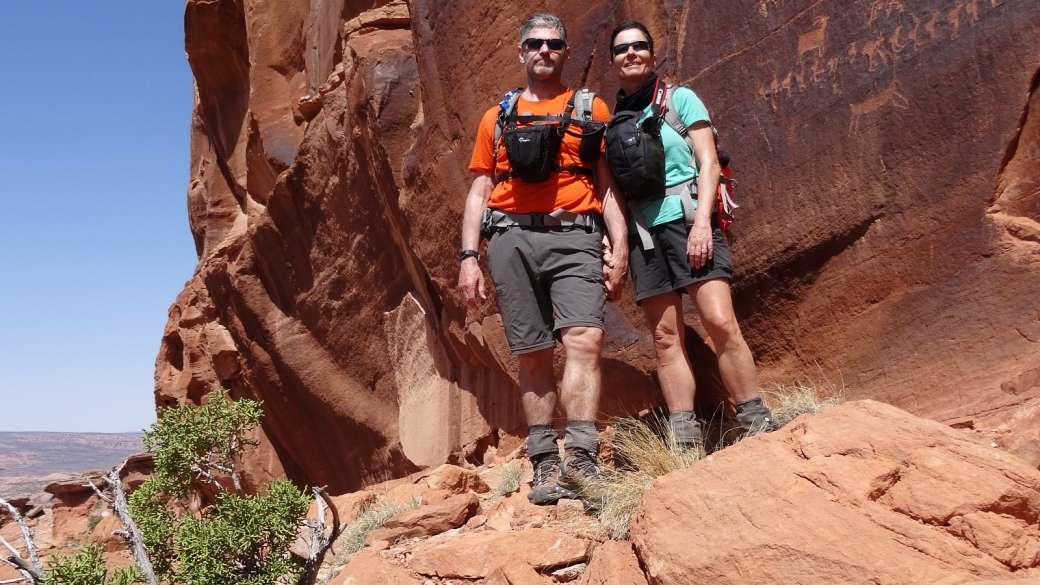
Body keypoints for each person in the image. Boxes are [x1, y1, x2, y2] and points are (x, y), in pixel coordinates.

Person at [457, 14, 628, 504]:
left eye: (554, 43)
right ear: (521, 51)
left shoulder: (589, 107)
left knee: (585, 338)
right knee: (532, 353)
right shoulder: (498, 116)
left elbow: (606, 183)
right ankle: (544, 462)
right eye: (535, 43)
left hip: (575, 235)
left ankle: (581, 459)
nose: (545, 50)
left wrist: (619, 247)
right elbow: (480, 189)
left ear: (566, 52)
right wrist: (470, 256)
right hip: (511, 239)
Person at [607, 21, 773, 448]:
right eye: (623, 49)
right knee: (665, 337)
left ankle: (754, 419)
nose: (632, 53)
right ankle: (685, 439)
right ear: (613, 60)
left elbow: (709, 162)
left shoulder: (680, 99)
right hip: (646, 234)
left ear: (652, 54)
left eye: (640, 46)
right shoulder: (612, 122)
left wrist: (703, 221)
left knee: (719, 321)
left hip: (688, 220)